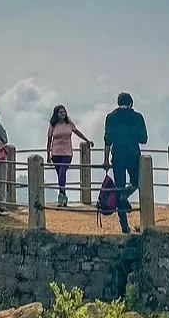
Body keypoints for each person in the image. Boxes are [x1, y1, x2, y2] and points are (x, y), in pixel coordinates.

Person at [102, 92, 147, 233]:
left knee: (119, 187)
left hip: (117, 156)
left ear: (118, 102)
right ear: (131, 103)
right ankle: (124, 195)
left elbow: (107, 140)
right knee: (136, 183)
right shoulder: (137, 117)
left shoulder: (111, 117)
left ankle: (124, 227)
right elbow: (143, 138)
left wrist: (105, 160)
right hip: (133, 155)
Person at [46, 105, 92, 207]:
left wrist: (87, 140)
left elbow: (77, 132)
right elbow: (49, 141)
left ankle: (61, 196)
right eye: (60, 112)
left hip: (67, 152)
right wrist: (48, 155)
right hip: (56, 152)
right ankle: (63, 196)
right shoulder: (53, 125)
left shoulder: (69, 123)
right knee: (60, 175)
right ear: (56, 114)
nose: (63, 114)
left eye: (64, 112)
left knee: (62, 172)